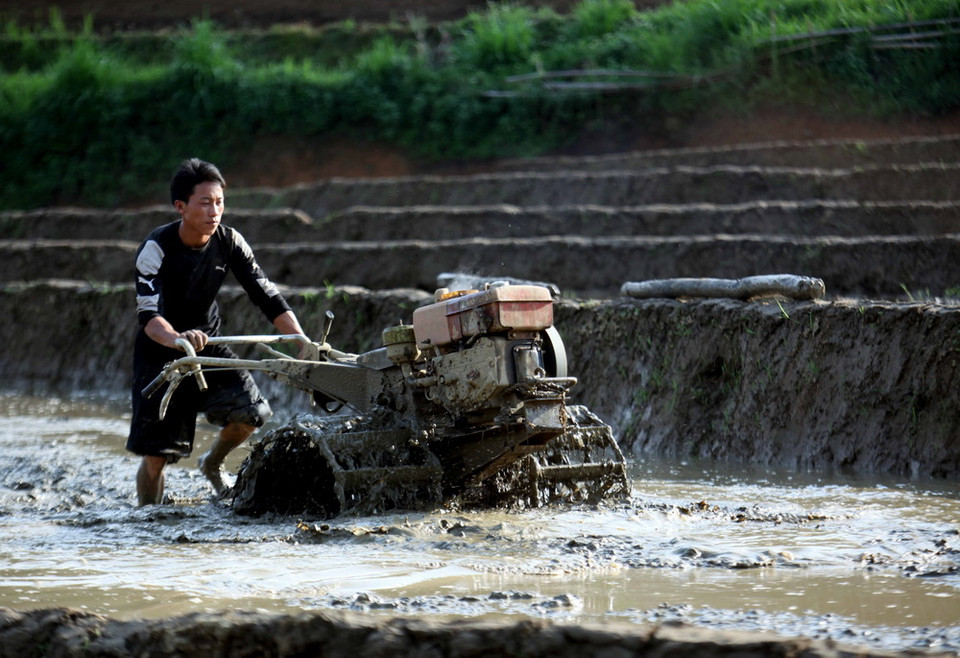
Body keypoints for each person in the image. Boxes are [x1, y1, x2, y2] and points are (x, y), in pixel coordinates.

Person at [127, 158, 307, 506]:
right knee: (156, 457)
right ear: (181, 206)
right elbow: (149, 316)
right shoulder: (156, 248)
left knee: (252, 414)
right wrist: (177, 339)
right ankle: (146, 522)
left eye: (220, 201)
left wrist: (301, 340)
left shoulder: (230, 241)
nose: (215, 210)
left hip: (209, 347)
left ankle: (213, 463)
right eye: (205, 202)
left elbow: (266, 294)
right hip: (162, 354)